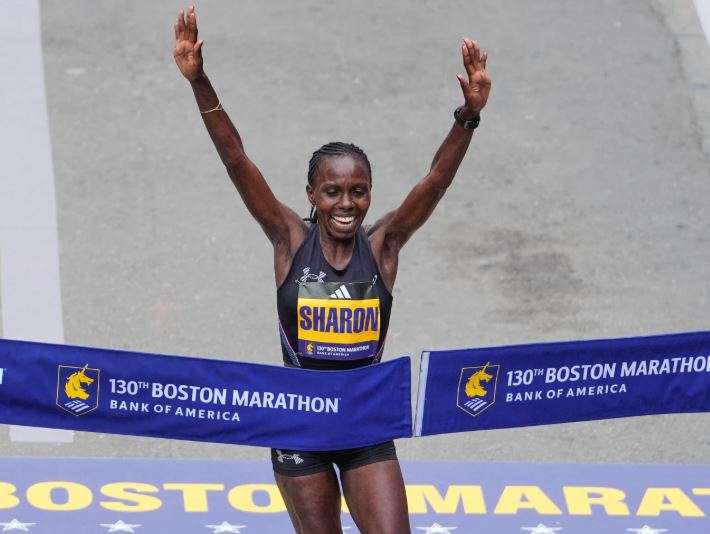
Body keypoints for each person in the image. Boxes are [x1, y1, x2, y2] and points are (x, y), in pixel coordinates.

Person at [173, 6, 491, 533]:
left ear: (370, 194)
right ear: (312, 196)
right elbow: (237, 161)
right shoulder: (288, 240)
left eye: (358, 191)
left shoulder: (384, 246)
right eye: (333, 191)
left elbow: (435, 181)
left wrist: (469, 115)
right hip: (299, 425)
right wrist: (199, 81)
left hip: (365, 422)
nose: (347, 203)